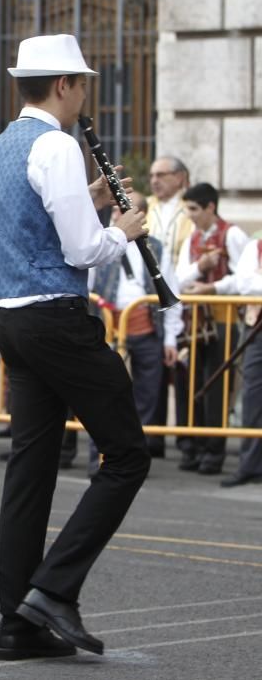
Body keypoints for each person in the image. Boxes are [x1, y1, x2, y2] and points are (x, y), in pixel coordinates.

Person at [0, 34, 150, 658]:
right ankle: (52, 590)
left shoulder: (2, 146)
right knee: (128, 455)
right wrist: (122, 229)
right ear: (63, 86)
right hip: (58, 318)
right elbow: (83, 250)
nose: (84, 95)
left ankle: (15, 626)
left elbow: (33, 224)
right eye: (82, 84)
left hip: (17, 322)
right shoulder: (55, 144)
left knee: (31, 471)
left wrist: (93, 200)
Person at [72, 192, 182, 474]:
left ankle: (133, 457)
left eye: (125, 209)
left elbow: (172, 294)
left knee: (147, 395)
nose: (118, 215)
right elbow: (86, 283)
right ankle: (101, 457)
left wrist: (170, 338)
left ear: (141, 214)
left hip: (145, 327)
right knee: (104, 394)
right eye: (117, 210)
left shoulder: (155, 247)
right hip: (108, 327)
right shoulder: (102, 242)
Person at [174, 182, 248, 474]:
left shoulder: (233, 234)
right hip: (195, 320)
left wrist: (213, 287)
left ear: (210, 208)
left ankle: (214, 451)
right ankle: (193, 445)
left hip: (223, 318)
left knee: (216, 383)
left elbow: (244, 278)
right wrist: (200, 267)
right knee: (192, 382)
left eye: (193, 209)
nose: (190, 215)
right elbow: (179, 278)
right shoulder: (192, 238)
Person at [146, 155, 192, 458]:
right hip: (149, 300)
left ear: (180, 177)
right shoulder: (145, 207)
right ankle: (154, 437)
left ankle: (188, 440)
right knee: (153, 372)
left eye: (162, 174)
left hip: (183, 298)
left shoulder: (191, 209)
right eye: (152, 175)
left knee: (183, 370)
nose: (155, 180)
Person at [223, 235, 262, 487]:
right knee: (254, 396)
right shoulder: (256, 245)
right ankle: (250, 464)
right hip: (257, 329)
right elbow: (245, 284)